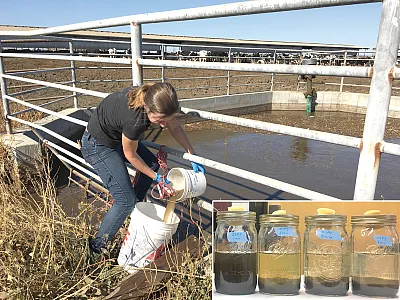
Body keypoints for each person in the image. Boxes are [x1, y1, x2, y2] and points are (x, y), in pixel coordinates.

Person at [80, 82, 205, 254]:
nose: (162, 125)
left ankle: (131, 211)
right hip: (97, 145)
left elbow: (174, 125)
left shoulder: (156, 96)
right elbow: (131, 155)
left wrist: (192, 153)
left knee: (151, 163)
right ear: (147, 107)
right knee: (125, 200)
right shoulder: (136, 120)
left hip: (116, 138)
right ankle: (96, 248)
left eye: (165, 120)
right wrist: (157, 178)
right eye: (159, 120)